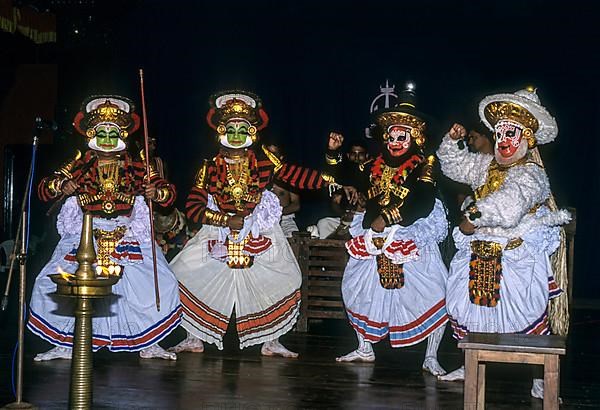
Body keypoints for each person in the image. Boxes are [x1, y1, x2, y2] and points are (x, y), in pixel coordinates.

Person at [168, 90, 341, 357]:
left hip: (258, 228)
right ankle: (194, 337)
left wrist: (330, 168)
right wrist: (225, 219)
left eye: (242, 128)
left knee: (288, 277)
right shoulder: (210, 166)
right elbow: (193, 206)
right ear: (221, 130)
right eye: (232, 128)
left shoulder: (262, 160)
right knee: (182, 272)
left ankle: (271, 341)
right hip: (219, 230)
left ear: (252, 131)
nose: (237, 134)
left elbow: (296, 176)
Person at [436, 88, 570, 399]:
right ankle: (470, 366)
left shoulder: (532, 174)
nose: (502, 141)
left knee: (526, 314)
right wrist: (452, 143)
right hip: (481, 251)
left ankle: (540, 379)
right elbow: (455, 167)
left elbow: (510, 206)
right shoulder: (487, 166)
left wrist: (473, 214)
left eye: (510, 133)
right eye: (498, 133)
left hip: (515, 255)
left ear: (528, 138)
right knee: (469, 309)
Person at [28, 95, 182, 361]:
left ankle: (148, 342)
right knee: (55, 281)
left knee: (158, 282)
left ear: (122, 134)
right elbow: (44, 189)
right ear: (91, 134)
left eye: (113, 133)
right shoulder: (80, 162)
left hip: (126, 232)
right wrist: (61, 186)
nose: (108, 139)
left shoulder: (136, 164)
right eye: (102, 133)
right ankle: (66, 343)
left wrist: (155, 191)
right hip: (86, 234)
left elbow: (168, 194)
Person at [328, 86, 449, 376]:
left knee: (435, 293)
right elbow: (343, 176)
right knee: (356, 289)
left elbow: (422, 200)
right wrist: (332, 154)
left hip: (410, 234)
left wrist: (390, 216)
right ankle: (364, 348)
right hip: (374, 237)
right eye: (391, 136)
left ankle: (431, 356)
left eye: (402, 137)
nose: (395, 142)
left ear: (414, 137)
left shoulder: (425, 164)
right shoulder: (373, 164)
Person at [308, 141, 370, 240]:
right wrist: (343, 214)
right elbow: (335, 202)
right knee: (323, 223)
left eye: (361, 154)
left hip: (365, 218)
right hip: (345, 219)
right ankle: (328, 253)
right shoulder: (343, 175)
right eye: (353, 154)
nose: (357, 157)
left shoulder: (373, 173)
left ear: (367, 155)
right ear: (348, 155)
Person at [264, 143, 301, 238]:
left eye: (273, 154)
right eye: (268, 154)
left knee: (294, 239)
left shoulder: (290, 178)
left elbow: (296, 205)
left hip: (285, 219)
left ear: (281, 157)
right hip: (263, 219)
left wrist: (277, 213)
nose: (270, 157)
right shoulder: (258, 175)